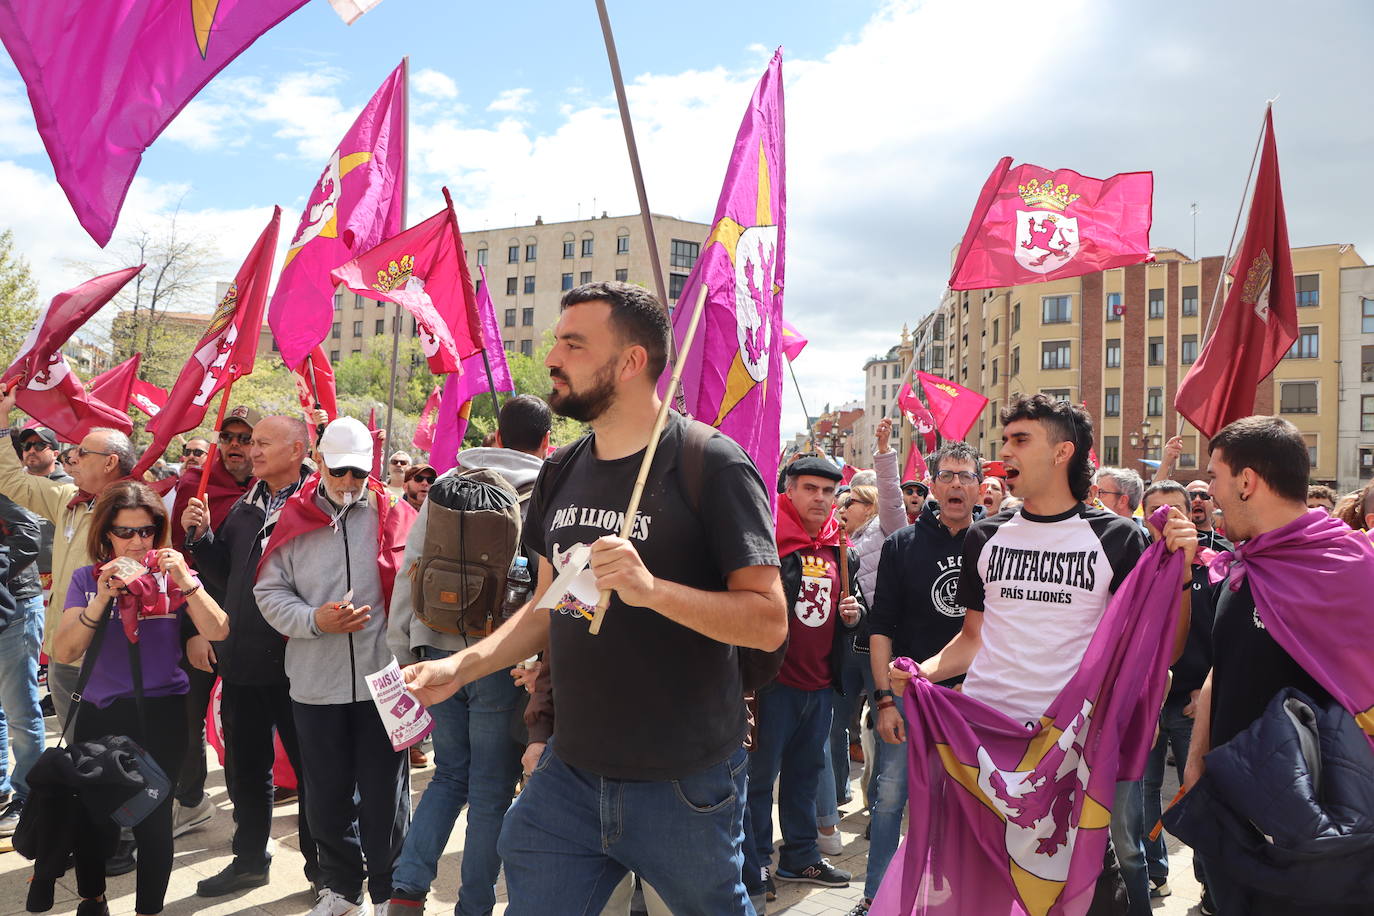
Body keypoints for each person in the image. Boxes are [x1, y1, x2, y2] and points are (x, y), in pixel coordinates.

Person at [404, 281, 787, 914]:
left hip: (684, 784)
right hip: (570, 775)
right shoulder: (562, 469)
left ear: (632, 362)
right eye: (557, 341)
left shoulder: (710, 464)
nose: (552, 358)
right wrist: (461, 665)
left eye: (574, 345)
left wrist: (651, 590)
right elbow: (556, 605)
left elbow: (769, 622)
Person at [913, 395, 1195, 915]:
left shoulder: (1118, 537)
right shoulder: (984, 535)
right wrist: (919, 674)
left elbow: (1163, 650)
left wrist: (1182, 571)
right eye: (1004, 440)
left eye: (1020, 440)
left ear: (1063, 451)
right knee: (980, 890)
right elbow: (971, 640)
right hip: (983, 744)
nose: (1004, 453)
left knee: (1083, 892)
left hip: (1067, 755)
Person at [1182, 417, 1374, 914]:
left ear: (1246, 482)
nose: (1210, 492)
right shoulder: (1245, 566)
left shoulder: (1352, 566)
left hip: (1315, 839)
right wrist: (1194, 764)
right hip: (1231, 821)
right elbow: (1221, 669)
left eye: (1216, 477)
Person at [386, 395, 551, 915]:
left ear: (496, 437)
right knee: (490, 789)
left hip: (434, 650)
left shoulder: (448, 486)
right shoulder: (547, 490)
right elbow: (550, 591)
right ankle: (473, 906)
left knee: (450, 774)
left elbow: (411, 572)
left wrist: (405, 651)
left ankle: (406, 892)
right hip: (501, 658)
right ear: (546, 441)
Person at [256, 417, 417, 916]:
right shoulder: (291, 518)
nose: (349, 483)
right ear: (320, 461)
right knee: (325, 799)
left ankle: (392, 891)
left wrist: (412, 662)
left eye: (359, 473)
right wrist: (314, 620)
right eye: (340, 471)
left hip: (384, 685)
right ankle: (342, 890)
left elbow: (418, 587)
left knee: (385, 799)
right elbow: (267, 590)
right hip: (314, 685)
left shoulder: (397, 513)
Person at [51, 481, 229, 916]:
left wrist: (185, 580)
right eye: (125, 532)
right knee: (94, 818)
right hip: (99, 714)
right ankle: (92, 900)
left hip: (162, 714)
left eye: (147, 531)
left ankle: (149, 910)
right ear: (106, 534)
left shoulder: (174, 580)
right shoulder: (86, 579)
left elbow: (220, 629)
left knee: (153, 822)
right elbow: (65, 650)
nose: (136, 542)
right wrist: (103, 599)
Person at [181, 416, 320, 898]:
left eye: (262, 443)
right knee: (245, 769)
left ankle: (324, 870)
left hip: (297, 663)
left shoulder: (319, 502)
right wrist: (200, 541)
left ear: (297, 448)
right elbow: (226, 579)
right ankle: (249, 858)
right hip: (241, 661)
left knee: (312, 773)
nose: (251, 451)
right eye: (248, 442)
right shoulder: (247, 503)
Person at [854, 441, 982, 915]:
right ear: (931, 485)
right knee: (889, 798)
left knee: (966, 804)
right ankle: (876, 898)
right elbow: (880, 628)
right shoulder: (901, 545)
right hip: (908, 699)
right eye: (946, 475)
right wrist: (885, 700)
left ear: (978, 486)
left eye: (964, 476)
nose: (954, 484)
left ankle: (952, 901)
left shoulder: (994, 542)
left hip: (973, 701)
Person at [745, 456, 862, 902]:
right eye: (810, 488)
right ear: (788, 491)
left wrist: (856, 616)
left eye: (828, 491)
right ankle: (754, 860)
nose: (820, 498)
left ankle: (799, 855)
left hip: (819, 686)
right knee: (759, 779)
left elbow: (848, 606)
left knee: (805, 776)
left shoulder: (839, 545)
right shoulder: (768, 540)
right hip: (772, 686)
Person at [0, 392, 134, 729]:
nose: (73, 457)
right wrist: (3, 419)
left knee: (111, 751)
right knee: (75, 749)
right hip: (64, 649)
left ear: (110, 462)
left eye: (83, 452)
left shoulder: (138, 508)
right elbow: (12, 481)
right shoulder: (67, 499)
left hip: (111, 653)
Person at [165, 406, 259, 841]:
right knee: (188, 716)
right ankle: (189, 801)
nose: (235, 445)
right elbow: (183, 565)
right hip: (201, 623)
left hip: (255, 630)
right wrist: (197, 629)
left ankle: (250, 829)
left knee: (244, 726)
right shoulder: (194, 487)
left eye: (245, 438)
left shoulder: (272, 490)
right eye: (229, 436)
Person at [1137, 480, 1215, 908]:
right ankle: (1154, 873)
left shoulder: (1215, 566)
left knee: (1199, 795)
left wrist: (1205, 694)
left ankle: (1207, 880)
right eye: (1156, 510)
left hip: (1191, 705)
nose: (1166, 518)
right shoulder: (1135, 568)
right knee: (1145, 794)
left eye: (1176, 509)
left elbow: (1224, 638)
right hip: (1147, 705)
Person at [0, 495, 42, 838]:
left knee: (21, 713)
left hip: (17, 608)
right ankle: (3, 788)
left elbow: (29, 535)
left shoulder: (7, 488)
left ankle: (29, 795)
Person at [1184, 479, 1230, 551]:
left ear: (1214, 504)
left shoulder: (1227, 547)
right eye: (1191, 496)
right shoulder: (1173, 540)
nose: (1197, 500)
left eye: (1204, 495)